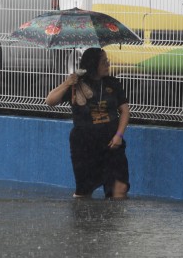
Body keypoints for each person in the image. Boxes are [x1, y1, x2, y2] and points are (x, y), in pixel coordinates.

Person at [45, 47, 130, 199]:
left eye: (107, 61)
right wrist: (67, 83)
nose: (108, 64)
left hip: (111, 143)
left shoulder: (113, 84)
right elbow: (50, 100)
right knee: (84, 191)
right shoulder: (76, 85)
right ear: (93, 64)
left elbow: (124, 111)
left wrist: (119, 135)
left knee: (119, 189)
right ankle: (82, 221)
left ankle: (115, 221)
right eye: (104, 62)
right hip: (84, 146)